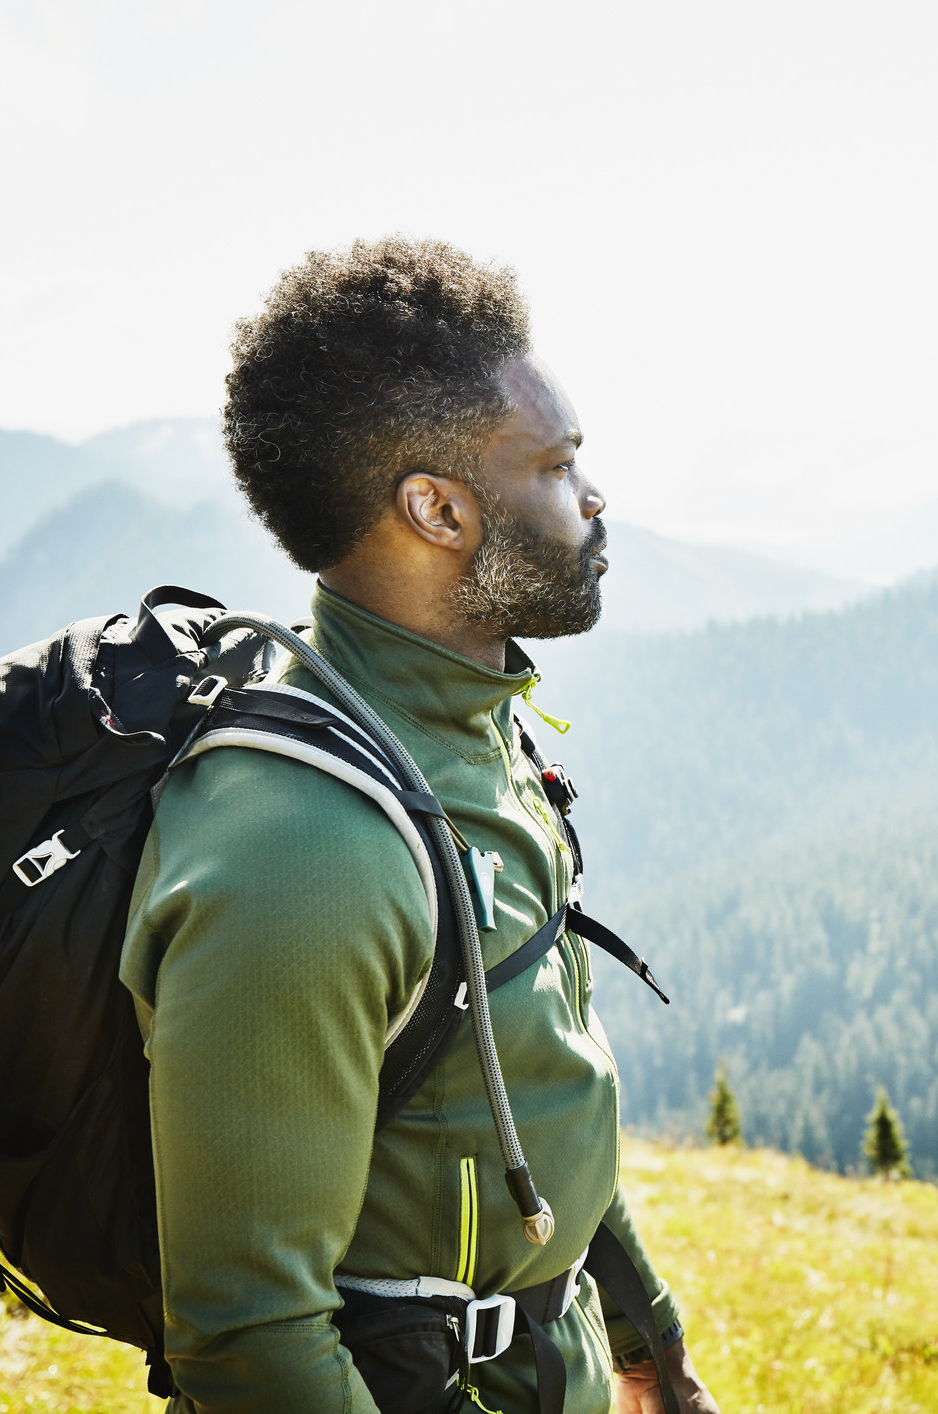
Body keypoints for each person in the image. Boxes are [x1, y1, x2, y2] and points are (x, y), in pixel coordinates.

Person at [120, 237, 720, 1414]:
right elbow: (249, 1339)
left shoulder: (469, 735)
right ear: (435, 508)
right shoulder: (305, 850)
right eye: (555, 466)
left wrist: (650, 1351)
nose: (593, 497)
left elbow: (539, 1098)